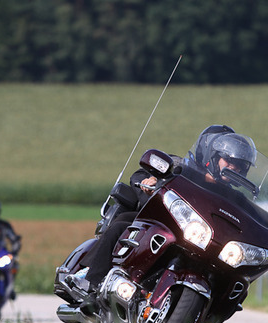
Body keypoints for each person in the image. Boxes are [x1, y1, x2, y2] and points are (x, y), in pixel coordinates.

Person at [73, 125, 256, 312]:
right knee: (122, 225)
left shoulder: (237, 199)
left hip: (199, 240)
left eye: (241, 165)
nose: (235, 167)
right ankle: (93, 287)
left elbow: (256, 218)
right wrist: (150, 180)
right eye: (229, 161)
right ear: (211, 154)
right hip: (164, 224)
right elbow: (139, 175)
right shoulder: (180, 167)